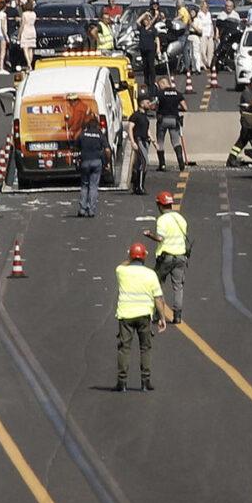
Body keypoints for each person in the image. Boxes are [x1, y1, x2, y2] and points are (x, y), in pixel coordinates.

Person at [114, 240, 171, 392]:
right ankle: (145, 382)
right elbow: (158, 298)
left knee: (124, 348)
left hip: (125, 315)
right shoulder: (150, 274)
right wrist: (162, 318)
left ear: (131, 257)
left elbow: (123, 264)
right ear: (144, 257)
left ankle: (122, 382)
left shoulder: (121, 271)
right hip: (144, 316)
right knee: (145, 348)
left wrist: (131, 257)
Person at [152, 190, 190, 321]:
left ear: (160, 205)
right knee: (178, 287)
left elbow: (160, 238)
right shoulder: (181, 219)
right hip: (180, 257)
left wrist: (149, 235)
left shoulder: (162, 220)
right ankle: (177, 316)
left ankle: (157, 314)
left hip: (165, 257)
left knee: (157, 285)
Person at [75, 115, 108, 217]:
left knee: (84, 185)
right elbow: (107, 150)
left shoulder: (82, 134)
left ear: (87, 126)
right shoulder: (100, 134)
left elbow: (76, 148)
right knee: (93, 186)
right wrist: (106, 161)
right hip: (97, 161)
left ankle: (82, 208)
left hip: (85, 161)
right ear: (97, 126)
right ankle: (91, 209)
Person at [155, 78, 188, 169]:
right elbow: (185, 107)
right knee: (176, 142)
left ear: (162, 84)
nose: (159, 87)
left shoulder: (160, 94)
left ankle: (162, 164)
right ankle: (181, 162)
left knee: (160, 142)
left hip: (163, 120)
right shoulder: (177, 93)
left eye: (159, 85)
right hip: (174, 120)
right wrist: (176, 109)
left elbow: (154, 105)